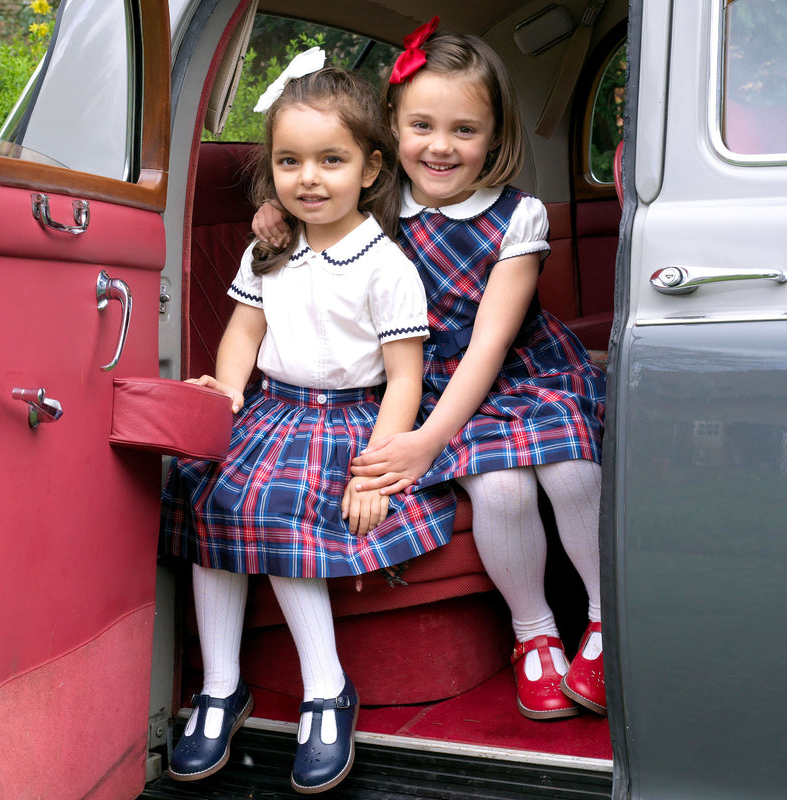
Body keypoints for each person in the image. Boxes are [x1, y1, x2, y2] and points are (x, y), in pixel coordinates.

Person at [252, 20, 607, 721]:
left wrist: (425, 444)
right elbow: (307, 193)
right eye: (421, 125)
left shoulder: (518, 217)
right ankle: (534, 636)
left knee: (572, 470)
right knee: (501, 491)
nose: (440, 146)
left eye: (465, 131)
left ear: (496, 138)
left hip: (520, 374)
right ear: (391, 128)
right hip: (427, 380)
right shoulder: (373, 203)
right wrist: (273, 212)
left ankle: (604, 622)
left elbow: (488, 348)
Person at [160, 55, 457, 794]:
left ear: (372, 168)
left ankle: (327, 690)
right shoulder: (272, 247)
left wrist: (378, 468)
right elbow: (243, 331)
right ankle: (222, 687)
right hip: (272, 411)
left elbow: (405, 377)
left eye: (331, 160)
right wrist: (228, 393)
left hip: (348, 423)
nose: (309, 179)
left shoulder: (385, 265)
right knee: (207, 499)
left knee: (284, 516)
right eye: (289, 162)